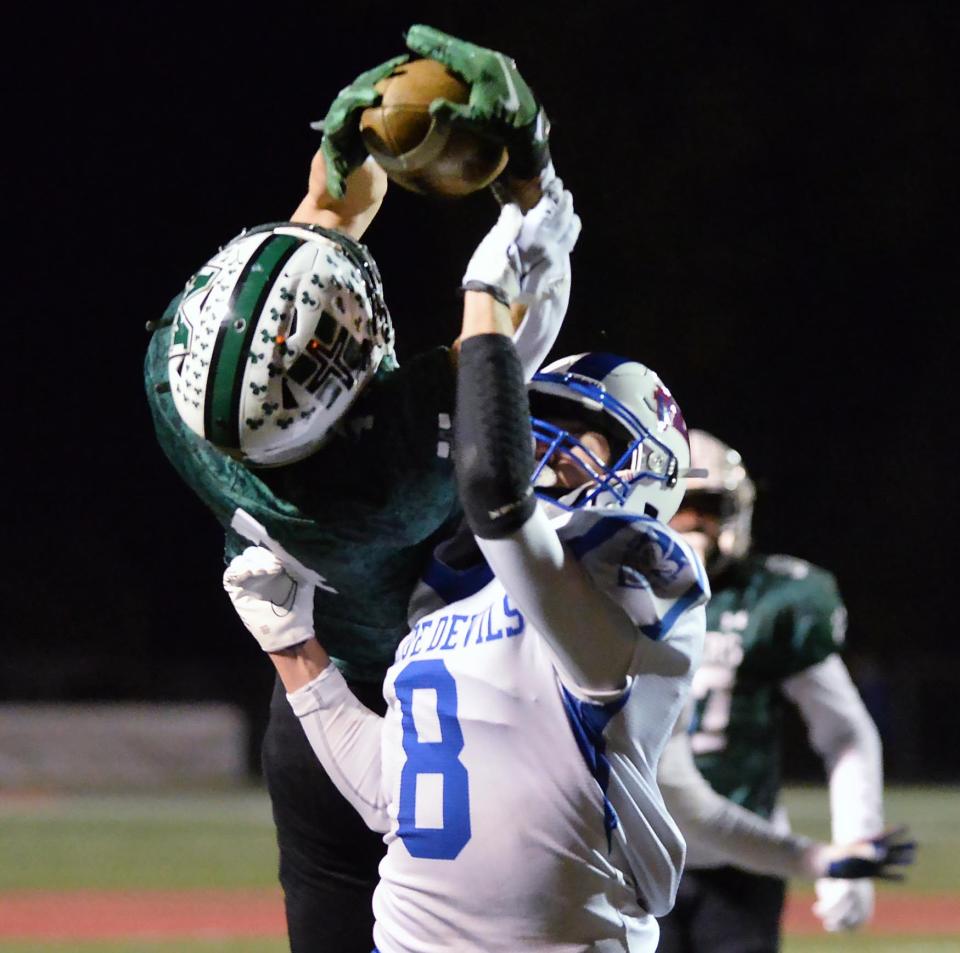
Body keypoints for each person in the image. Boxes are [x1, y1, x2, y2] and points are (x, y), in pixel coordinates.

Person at [144, 26, 566, 953]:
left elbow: (322, 226)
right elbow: (517, 315)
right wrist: (531, 171)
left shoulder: (178, 394)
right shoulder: (398, 478)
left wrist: (341, 169)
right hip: (458, 730)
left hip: (311, 716)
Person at [223, 323, 712, 951]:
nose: (542, 446)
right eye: (533, 426)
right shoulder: (443, 586)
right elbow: (392, 793)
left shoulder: (632, 571)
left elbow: (500, 503)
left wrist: (489, 306)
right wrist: (291, 645)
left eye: (582, 435)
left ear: (652, 468)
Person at [655, 429, 897, 952]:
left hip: (746, 856)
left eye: (708, 505)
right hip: (637, 853)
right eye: (679, 504)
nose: (693, 522)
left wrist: (855, 840)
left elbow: (845, 732)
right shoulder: (610, 588)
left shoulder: (776, 600)